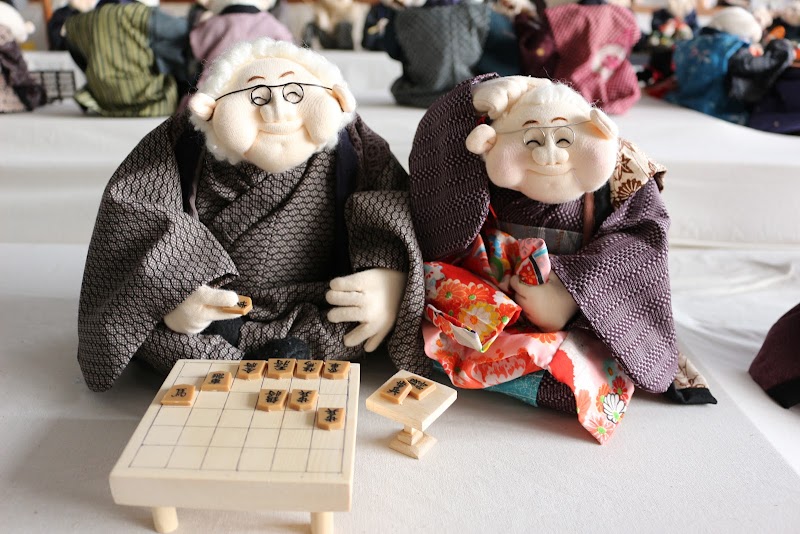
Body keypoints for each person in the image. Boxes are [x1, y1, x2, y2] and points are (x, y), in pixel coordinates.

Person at [77, 38, 426, 392]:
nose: (277, 111)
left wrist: (390, 280)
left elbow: (390, 200)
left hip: (319, 304)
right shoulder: (182, 142)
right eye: (257, 96)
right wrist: (173, 291)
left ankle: (285, 352)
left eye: (294, 93)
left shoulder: (354, 145)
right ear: (208, 108)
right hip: (214, 310)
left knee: (355, 327)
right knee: (151, 330)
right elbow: (137, 211)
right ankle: (231, 346)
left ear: (338, 99)